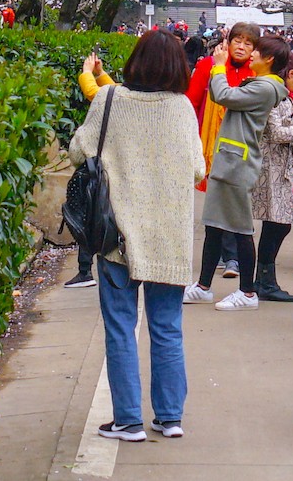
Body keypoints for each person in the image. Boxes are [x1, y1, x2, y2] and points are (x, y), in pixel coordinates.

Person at [67, 29, 202, 442]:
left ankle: (127, 420)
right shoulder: (181, 108)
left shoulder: (109, 101)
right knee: (167, 328)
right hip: (170, 238)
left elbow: (79, 151)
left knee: (121, 326)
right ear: (178, 68)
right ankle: (169, 416)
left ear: (134, 63)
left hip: (117, 236)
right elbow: (198, 170)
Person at [185, 24, 284, 311]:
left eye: (255, 48)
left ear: (269, 59)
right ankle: (203, 285)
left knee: (241, 229)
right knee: (214, 225)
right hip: (228, 158)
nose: (248, 52)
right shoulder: (261, 84)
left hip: (238, 163)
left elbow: (223, 95)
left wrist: (217, 67)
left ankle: (248, 292)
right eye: (238, 42)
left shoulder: (265, 87)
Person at [247, 37, 293, 303]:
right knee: (277, 223)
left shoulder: (283, 95)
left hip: (278, 166)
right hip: (269, 166)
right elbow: (275, 133)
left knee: (279, 223)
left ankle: (265, 278)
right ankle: (264, 280)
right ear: (291, 74)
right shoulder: (274, 94)